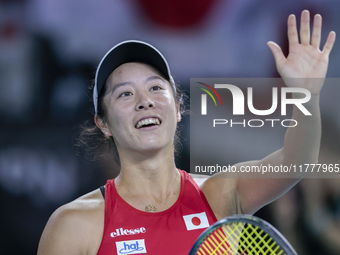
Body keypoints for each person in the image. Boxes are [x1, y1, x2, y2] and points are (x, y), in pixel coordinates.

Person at [37, 10, 335, 255]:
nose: (145, 101)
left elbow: (296, 161)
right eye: (124, 94)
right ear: (103, 124)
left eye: (155, 87)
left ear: (179, 108)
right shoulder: (72, 225)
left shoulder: (220, 194)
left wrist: (306, 96)